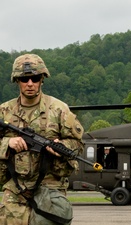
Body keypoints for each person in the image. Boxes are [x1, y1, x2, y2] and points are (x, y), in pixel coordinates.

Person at [0, 53, 84, 224]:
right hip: (15, 188)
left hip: (50, 186)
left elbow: (78, 145)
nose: (30, 84)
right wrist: (6, 143)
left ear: (42, 79)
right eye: (25, 79)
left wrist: (62, 147)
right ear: (17, 81)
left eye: (35, 78)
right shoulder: (4, 112)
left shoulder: (59, 109)